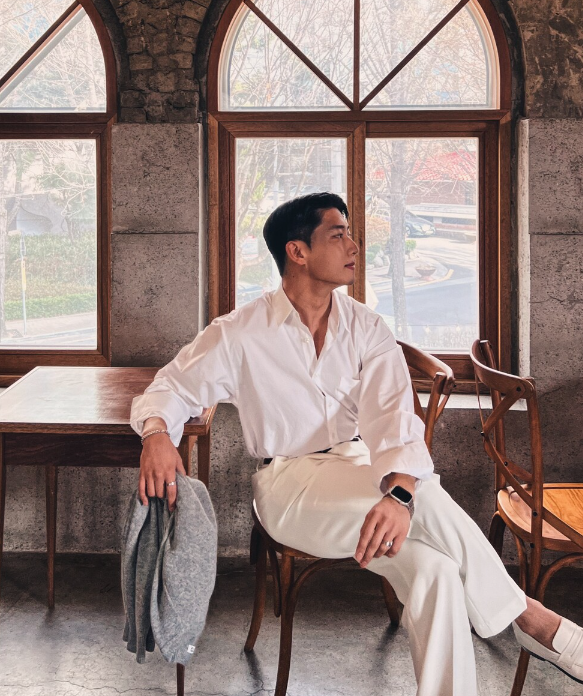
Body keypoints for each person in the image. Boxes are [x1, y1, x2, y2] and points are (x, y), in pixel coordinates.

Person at [130, 193, 583, 696]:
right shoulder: (240, 332)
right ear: (297, 251)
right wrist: (156, 434)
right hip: (288, 483)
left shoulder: (366, 327)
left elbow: (394, 418)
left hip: (360, 468)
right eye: (337, 234)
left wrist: (397, 493)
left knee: (435, 571)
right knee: (425, 496)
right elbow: (170, 387)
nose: (354, 246)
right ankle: (531, 618)